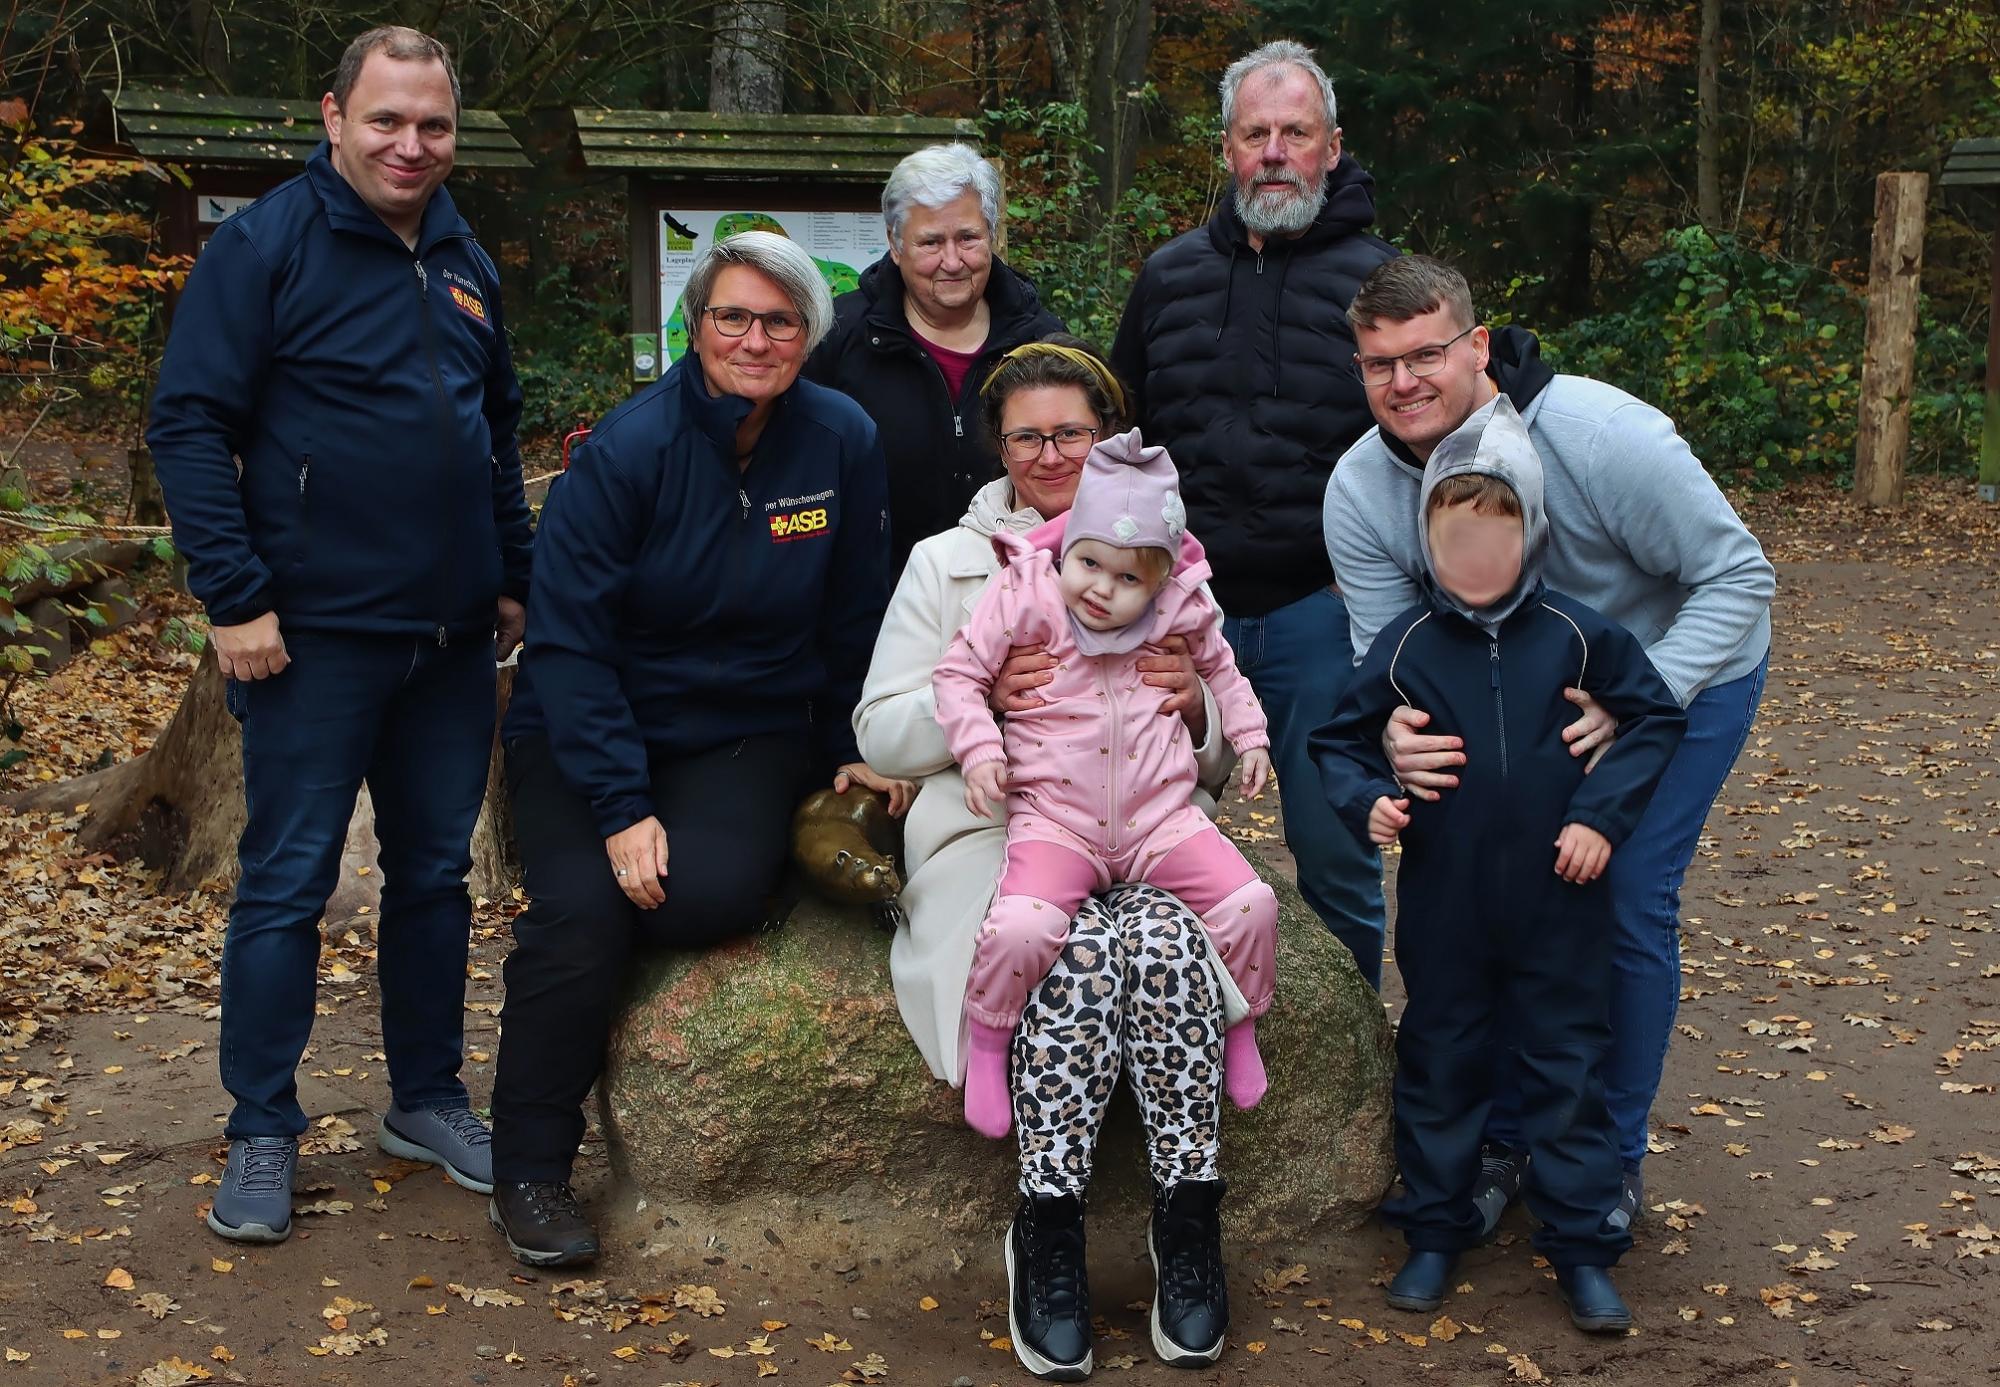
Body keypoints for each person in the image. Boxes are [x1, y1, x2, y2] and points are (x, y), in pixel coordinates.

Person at [146, 25, 531, 1244]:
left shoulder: (465, 256)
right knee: (287, 883)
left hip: (449, 640)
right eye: (387, 120)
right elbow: (189, 425)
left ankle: (425, 1098)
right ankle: (262, 1125)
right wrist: (232, 596)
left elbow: (495, 426)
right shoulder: (265, 246)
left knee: (433, 879)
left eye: (433, 124)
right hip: (309, 637)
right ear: (333, 117)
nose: (411, 145)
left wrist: (511, 576)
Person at [1324, 254, 1775, 1235]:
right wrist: (1392, 733)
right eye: (1378, 364)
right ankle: (1500, 1141)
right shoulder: (1358, 488)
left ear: (1476, 346)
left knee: (1616, 890)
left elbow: (1738, 576)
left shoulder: (1600, 437)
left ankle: (1609, 1160)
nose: (1402, 382)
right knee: (1482, 896)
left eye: (1425, 355)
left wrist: (1636, 693)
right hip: (1507, 698)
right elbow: (1383, 658)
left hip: (1681, 672)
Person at [487, 231, 906, 1268]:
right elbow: (569, 645)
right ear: (695, 325)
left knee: (703, 895)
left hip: (742, 728)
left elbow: (855, 611)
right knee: (583, 912)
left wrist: (851, 741)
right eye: (732, 316)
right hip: (590, 724)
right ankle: (530, 1166)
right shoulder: (626, 449)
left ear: (809, 333)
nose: (754, 340)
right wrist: (621, 807)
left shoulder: (841, 438)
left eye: (779, 321)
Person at [854, 339, 1246, 1377]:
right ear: (998, 447)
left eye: (1071, 432)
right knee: (1069, 951)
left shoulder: (1165, 559)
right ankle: (1049, 1224)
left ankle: (1187, 1215)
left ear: (1108, 438)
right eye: (1025, 436)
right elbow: (880, 729)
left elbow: (1216, 742)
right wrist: (980, 700)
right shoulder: (948, 561)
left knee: (1166, 944)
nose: (1048, 454)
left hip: (1143, 823)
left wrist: (1196, 706)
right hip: (999, 827)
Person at [1314, 397, 1687, 1332]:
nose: (1475, 560)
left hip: (1562, 899)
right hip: (1448, 904)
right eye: (1454, 541)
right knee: (1442, 1057)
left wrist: (1600, 815)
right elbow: (1336, 738)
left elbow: (1655, 717)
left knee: (1567, 1066)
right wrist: (1369, 798)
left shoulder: (1580, 634)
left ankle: (1583, 1245)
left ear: (1532, 533)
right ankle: (1437, 1228)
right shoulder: (1408, 644)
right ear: (1428, 543)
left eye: (1496, 537)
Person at [1110, 40, 1398, 989]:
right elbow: (1121, 434)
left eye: (1296, 133)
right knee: (1127, 838)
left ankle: (1356, 1054)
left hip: (1324, 617)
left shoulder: (1382, 286)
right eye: (1255, 134)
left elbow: (1427, 443)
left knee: (1338, 853)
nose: (1275, 153)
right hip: (1177, 617)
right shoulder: (1168, 277)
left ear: (1332, 148)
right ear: (1228, 149)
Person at [932, 430, 1279, 1139]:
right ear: (1068, 546)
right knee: (1021, 926)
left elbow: (1222, 670)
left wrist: (1250, 737)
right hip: (1056, 818)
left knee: (1251, 904)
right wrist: (980, 749)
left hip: (1159, 817)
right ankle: (990, 1043)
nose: (1100, 589)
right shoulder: (1026, 593)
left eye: (1128, 580)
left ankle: (1240, 1025)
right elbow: (958, 674)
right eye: (1088, 563)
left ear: (1161, 580)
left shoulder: (1182, 606)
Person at [805, 143, 1064, 572]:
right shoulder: (837, 338)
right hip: (876, 594)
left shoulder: (1040, 341)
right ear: (895, 245)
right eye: (930, 242)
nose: (952, 261)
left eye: (968, 238)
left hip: (1017, 593)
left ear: (992, 235)